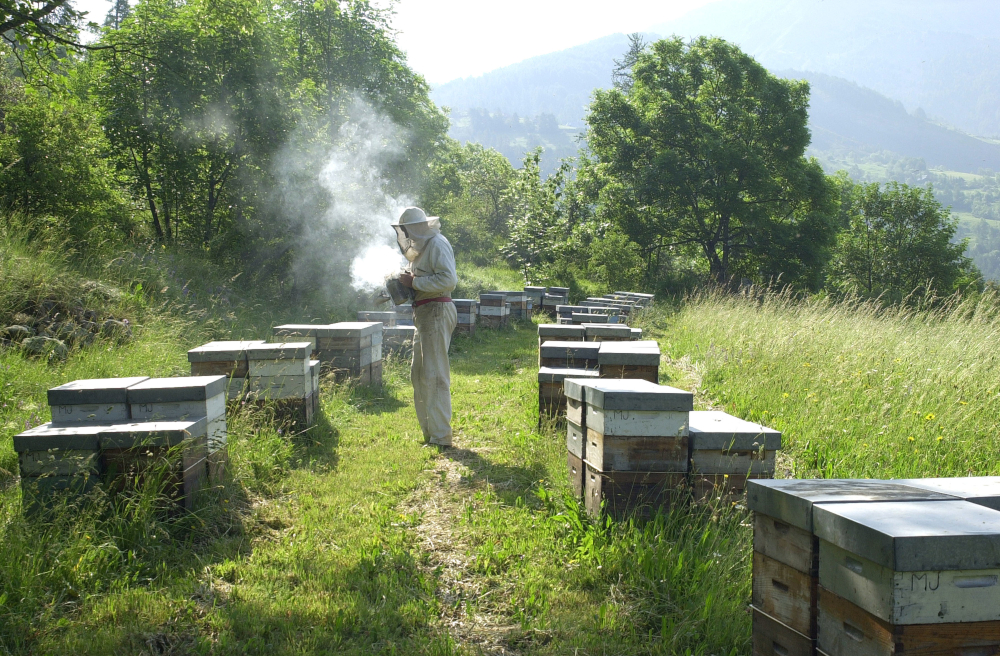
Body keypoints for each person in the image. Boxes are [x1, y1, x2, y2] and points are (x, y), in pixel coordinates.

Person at [392, 207, 458, 446]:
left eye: (408, 230)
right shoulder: (422, 250)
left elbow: (448, 280)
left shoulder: (437, 244)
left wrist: (415, 282)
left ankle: (441, 436)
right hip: (424, 313)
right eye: (404, 231)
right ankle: (431, 433)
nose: (406, 235)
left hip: (437, 310)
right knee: (419, 374)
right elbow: (419, 280)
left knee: (435, 374)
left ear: (419, 227)